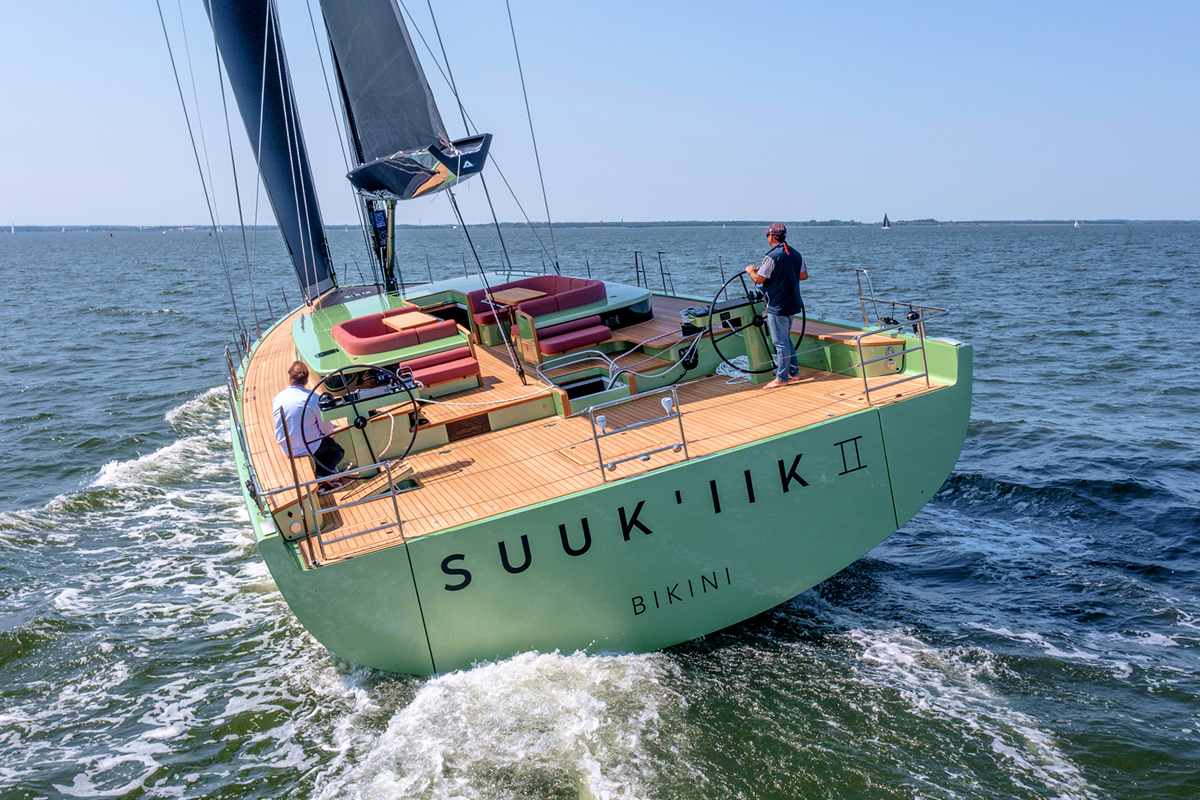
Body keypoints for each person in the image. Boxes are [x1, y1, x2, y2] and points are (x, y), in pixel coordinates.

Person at [745, 222, 807, 388]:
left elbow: (759, 279)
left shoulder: (771, 257)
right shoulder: (795, 254)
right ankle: (793, 372)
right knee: (786, 338)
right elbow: (803, 275)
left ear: (771, 236)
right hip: (792, 302)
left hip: (777, 305)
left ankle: (781, 378)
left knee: (780, 342)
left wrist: (750, 270)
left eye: (768, 235)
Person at [273, 360, 346, 493]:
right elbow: (326, 429)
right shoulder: (313, 399)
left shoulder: (278, 398)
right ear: (307, 380)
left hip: (287, 448)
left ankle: (321, 475)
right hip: (308, 447)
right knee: (336, 451)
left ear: (290, 378)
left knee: (318, 441)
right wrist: (330, 434)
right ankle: (322, 475)